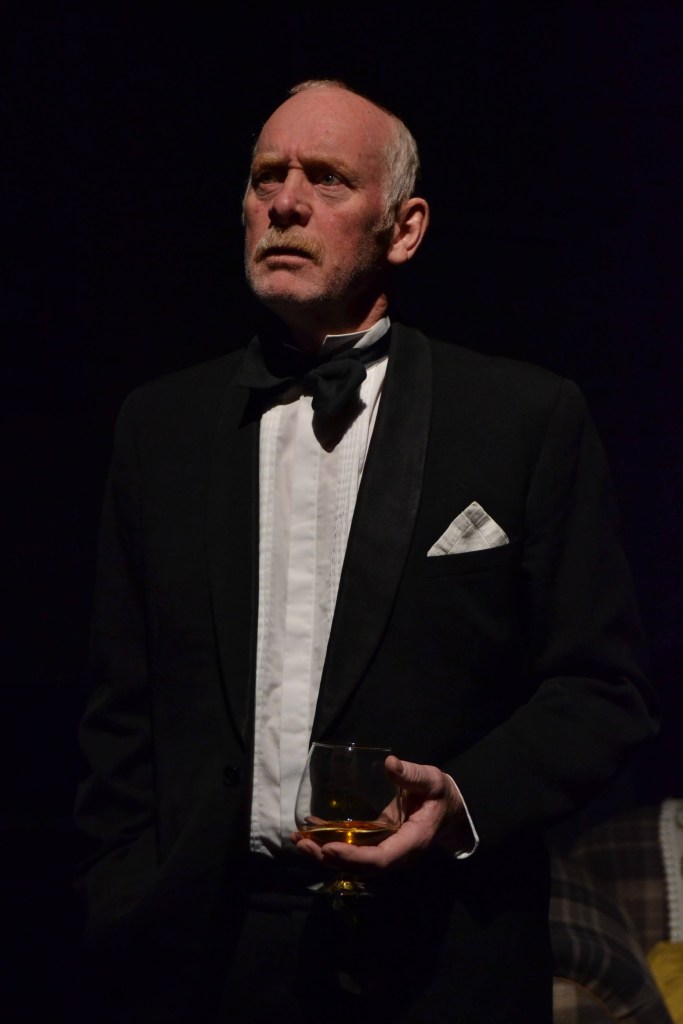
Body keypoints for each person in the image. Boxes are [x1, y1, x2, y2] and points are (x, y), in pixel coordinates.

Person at [75, 79, 658, 1023]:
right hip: (205, 956)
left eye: (327, 179)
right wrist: (121, 891)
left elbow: (601, 691)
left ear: (405, 227)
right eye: (266, 177)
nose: (286, 202)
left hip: (438, 958)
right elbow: (119, 708)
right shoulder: (161, 427)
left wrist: (460, 800)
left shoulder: (518, 420)